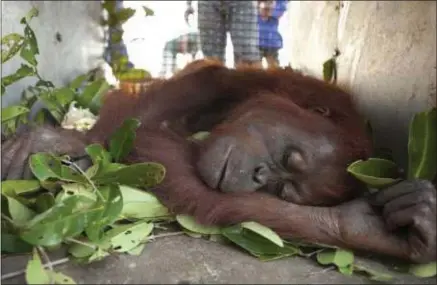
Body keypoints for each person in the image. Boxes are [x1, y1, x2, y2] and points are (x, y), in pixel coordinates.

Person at [185, 0, 261, 68]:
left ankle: (248, 82)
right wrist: (188, 4)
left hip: (241, 3)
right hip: (209, 4)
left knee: (247, 52)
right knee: (211, 58)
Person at [257, 0, 288, 68]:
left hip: (271, 42)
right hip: (255, 42)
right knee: (255, 71)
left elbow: (280, 8)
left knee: (274, 69)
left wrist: (269, 8)